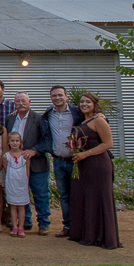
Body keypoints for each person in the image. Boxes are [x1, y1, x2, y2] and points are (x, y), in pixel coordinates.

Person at [69, 93, 121, 249]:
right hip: (83, 165)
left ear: (94, 104)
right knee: (86, 197)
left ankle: (101, 235)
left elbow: (108, 143)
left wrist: (86, 153)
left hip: (98, 163)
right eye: (82, 102)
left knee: (98, 198)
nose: (84, 104)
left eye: (87, 102)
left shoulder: (99, 120)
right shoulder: (84, 121)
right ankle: (88, 233)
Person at [4, 92, 52, 235]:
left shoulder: (38, 118)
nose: (20, 103)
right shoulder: (10, 119)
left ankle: (43, 223)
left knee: (40, 194)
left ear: (29, 101)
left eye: (23, 101)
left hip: (36, 163)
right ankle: (26, 222)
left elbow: (47, 138)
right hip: (16, 166)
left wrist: (35, 151)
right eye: (17, 101)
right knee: (21, 194)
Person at [40, 85, 84, 238]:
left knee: (78, 194)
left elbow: (92, 119)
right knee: (64, 196)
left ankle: (81, 226)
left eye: (60, 95)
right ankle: (68, 226)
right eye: (54, 96)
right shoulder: (48, 114)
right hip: (58, 161)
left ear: (66, 97)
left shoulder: (77, 112)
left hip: (76, 160)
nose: (57, 98)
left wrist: (101, 115)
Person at [2, 132, 30, 237]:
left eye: (17, 141)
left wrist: (26, 183)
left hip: (22, 183)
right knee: (13, 206)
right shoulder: (6, 156)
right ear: (9, 142)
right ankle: (14, 226)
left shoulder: (25, 156)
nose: (15, 143)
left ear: (20, 142)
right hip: (11, 183)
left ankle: (21, 227)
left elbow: (27, 170)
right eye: (12, 141)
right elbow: (6, 169)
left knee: (21, 207)